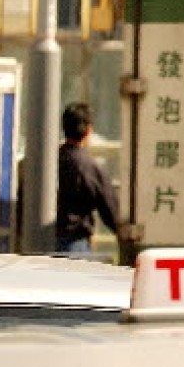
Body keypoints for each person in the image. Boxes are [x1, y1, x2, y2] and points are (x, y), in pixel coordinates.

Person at [55, 102, 119, 254]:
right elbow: (108, 205)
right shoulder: (89, 165)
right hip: (75, 243)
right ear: (89, 130)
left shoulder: (50, 161)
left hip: (45, 239)